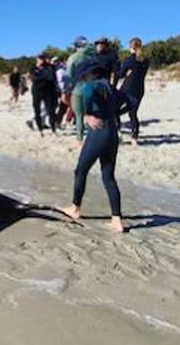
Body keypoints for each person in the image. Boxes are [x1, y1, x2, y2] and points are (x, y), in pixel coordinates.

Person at [61, 64, 125, 233]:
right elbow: (131, 101)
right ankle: (117, 221)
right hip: (113, 133)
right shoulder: (110, 86)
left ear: (91, 74)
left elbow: (89, 95)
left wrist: (88, 113)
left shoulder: (92, 85)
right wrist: (115, 114)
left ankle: (75, 208)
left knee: (80, 170)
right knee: (108, 176)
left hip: (98, 133)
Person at [117, 37, 150, 145]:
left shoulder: (129, 60)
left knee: (115, 111)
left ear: (131, 47)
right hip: (139, 90)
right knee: (133, 114)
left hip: (127, 89)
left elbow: (120, 75)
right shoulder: (145, 61)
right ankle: (134, 138)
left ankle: (118, 133)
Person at [66, 36, 96, 143]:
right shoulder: (91, 58)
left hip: (77, 88)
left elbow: (68, 75)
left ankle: (80, 139)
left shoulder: (72, 58)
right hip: (90, 88)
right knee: (92, 113)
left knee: (79, 115)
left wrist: (66, 90)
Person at [29, 55, 58, 135]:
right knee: (37, 110)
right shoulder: (33, 68)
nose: (41, 61)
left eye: (43, 59)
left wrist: (41, 76)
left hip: (48, 92)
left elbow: (51, 77)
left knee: (51, 111)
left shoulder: (50, 67)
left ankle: (53, 129)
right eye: (40, 59)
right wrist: (44, 76)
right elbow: (34, 78)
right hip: (36, 92)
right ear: (37, 60)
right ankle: (40, 129)